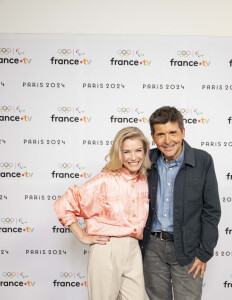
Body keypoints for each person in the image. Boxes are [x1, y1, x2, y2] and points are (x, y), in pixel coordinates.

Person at [54, 127, 151, 300]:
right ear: (119, 154)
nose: (133, 157)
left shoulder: (145, 180)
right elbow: (64, 204)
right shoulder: (105, 180)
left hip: (134, 249)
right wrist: (83, 236)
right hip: (107, 248)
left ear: (145, 152)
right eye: (126, 152)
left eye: (138, 151)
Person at [140, 106, 221, 300]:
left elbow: (211, 211)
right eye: (160, 134)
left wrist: (204, 253)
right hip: (152, 248)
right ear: (153, 136)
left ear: (183, 132)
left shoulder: (203, 161)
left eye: (173, 133)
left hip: (188, 249)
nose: (167, 141)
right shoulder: (145, 160)